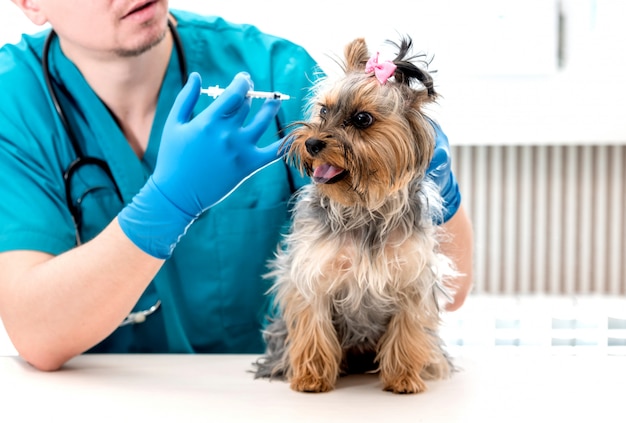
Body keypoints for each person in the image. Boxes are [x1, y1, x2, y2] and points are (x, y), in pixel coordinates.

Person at [0, 0, 473, 371]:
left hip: (267, 393)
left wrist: (432, 190)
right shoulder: (14, 102)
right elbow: (37, 335)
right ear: (30, 2)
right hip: (100, 398)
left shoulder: (273, 70)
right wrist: (166, 205)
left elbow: (448, 293)